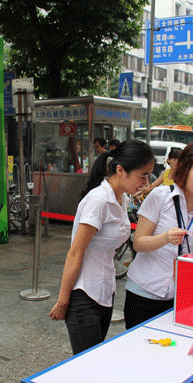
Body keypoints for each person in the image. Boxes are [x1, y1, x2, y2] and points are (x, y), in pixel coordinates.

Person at [49, 140, 155, 355]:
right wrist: (63, 300)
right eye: (142, 176)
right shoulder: (98, 201)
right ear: (121, 170)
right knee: (86, 364)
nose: (146, 183)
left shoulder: (122, 198)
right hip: (84, 293)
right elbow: (75, 252)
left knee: (95, 358)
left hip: (105, 291)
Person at [123, 141, 193, 329]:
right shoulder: (160, 196)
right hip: (145, 292)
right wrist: (164, 238)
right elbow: (138, 243)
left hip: (182, 294)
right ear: (185, 169)